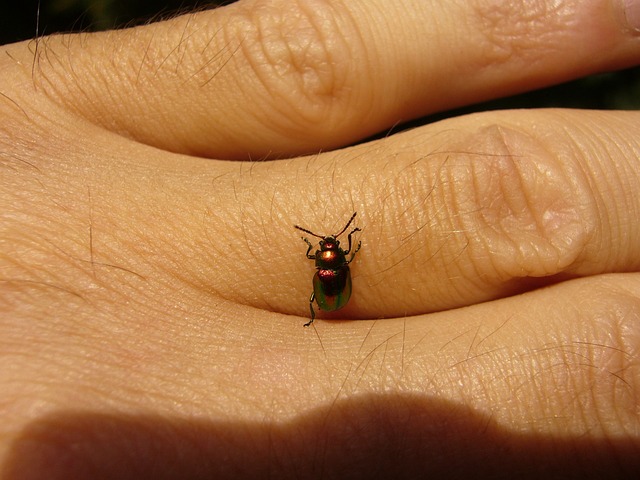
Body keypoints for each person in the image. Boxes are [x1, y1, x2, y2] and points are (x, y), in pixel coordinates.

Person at [1, 0, 639, 477]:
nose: (328, 252)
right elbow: (336, 261)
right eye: (328, 249)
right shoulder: (331, 258)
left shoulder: (329, 258)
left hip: (328, 295)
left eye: (328, 248)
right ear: (327, 255)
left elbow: (335, 260)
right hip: (331, 294)